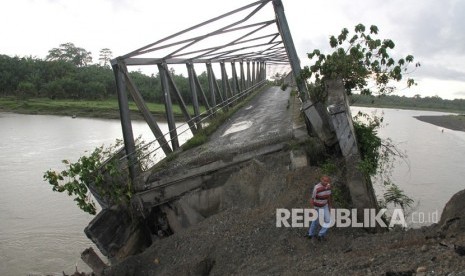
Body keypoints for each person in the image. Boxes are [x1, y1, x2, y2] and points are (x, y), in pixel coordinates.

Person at [306, 175, 332, 241]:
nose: (325, 182)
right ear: (321, 180)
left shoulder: (329, 187)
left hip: (324, 206)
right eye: (324, 180)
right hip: (317, 207)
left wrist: (329, 206)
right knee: (315, 221)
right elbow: (312, 199)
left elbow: (328, 197)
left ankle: (320, 235)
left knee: (328, 221)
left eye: (327, 181)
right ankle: (310, 234)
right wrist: (312, 210)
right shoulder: (317, 188)